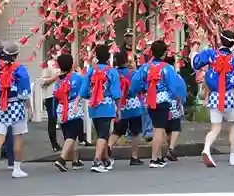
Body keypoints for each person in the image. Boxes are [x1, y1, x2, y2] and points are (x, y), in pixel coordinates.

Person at [193, 29, 234, 167]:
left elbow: (195, 62)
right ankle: (233, 158)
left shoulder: (211, 54)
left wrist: (197, 43)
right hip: (230, 96)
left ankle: (206, 148)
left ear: (220, 40)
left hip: (214, 96)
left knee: (215, 128)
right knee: (232, 127)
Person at [131, 40, 187, 168]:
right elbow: (174, 86)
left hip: (149, 99)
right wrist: (177, 98)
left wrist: (140, 90)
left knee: (157, 127)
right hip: (162, 99)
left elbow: (135, 81)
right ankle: (154, 159)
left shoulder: (145, 67)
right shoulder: (167, 68)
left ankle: (159, 157)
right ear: (164, 53)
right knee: (159, 129)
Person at [0, 43, 32, 179]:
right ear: (16, 55)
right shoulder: (20, 68)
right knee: (18, 137)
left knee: (0, 137)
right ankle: (16, 169)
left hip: (1, 105)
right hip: (16, 106)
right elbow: (24, 92)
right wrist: (29, 106)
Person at [79, 44, 120, 172]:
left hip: (94, 105)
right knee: (103, 134)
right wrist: (118, 108)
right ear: (108, 57)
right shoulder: (112, 71)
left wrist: (83, 98)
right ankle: (96, 161)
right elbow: (116, 93)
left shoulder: (91, 70)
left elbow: (84, 89)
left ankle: (105, 159)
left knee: (101, 133)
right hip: (107, 105)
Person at [52, 53, 87, 171]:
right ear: (72, 64)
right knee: (72, 135)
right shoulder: (77, 77)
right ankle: (61, 159)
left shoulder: (58, 80)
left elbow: (55, 94)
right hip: (74, 108)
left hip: (62, 109)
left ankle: (75, 161)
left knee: (69, 136)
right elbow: (86, 89)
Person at [112, 51, 146, 166]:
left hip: (118, 104)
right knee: (136, 132)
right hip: (133, 104)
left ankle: (107, 149)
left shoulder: (113, 73)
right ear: (126, 60)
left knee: (117, 131)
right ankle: (134, 156)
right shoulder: (132, 73)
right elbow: (139, 87)